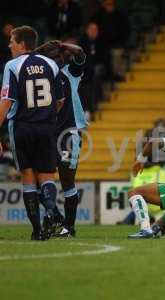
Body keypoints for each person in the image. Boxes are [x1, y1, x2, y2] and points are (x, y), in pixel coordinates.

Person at [0, 26, 65, 240]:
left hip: (22, 127)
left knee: (28, 176)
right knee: (46, 176)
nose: (9, 45)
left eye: (12, 41)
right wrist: (44, 114)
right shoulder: (52, 65)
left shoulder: (12, 66)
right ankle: (52, 213)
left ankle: (38, 230)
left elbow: (6, 101)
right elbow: (60, 101)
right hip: (46, 127)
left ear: (21, 44)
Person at [35, 40, 88, 237]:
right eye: (53, 56)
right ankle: (56, 218)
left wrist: (64, 45)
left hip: (68, 134)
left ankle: (69, 228)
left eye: (59, 56)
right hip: (45, 133)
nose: (57, 60)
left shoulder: (69, 73)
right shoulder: (42, 76)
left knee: (67, 181)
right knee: (41, 181)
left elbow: (81, 54)